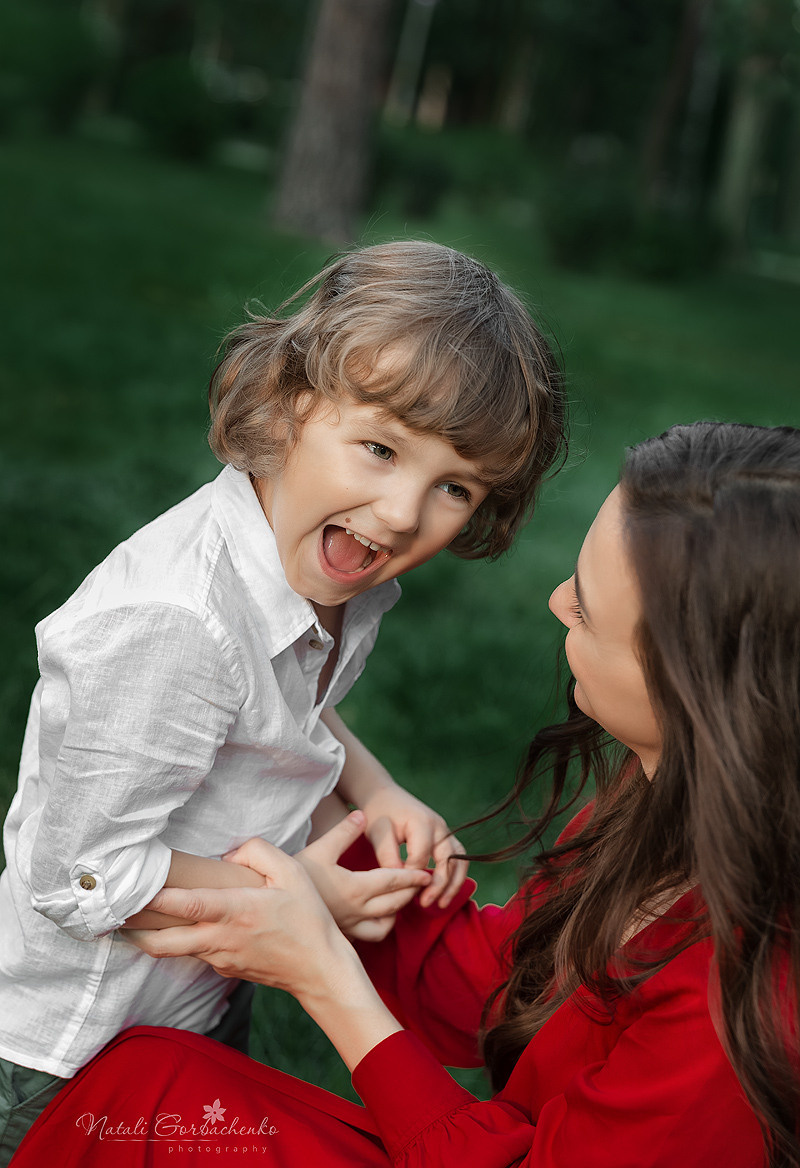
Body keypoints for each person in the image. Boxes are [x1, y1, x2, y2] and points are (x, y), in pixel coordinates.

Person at [13, 419, 800, 1167]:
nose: (559, 600)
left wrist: (324, 972)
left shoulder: (747, 1014)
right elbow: (507, 985)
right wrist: (362, 830)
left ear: (708, 695)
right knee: (147, 1090)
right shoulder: (677, 798)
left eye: (589, 611)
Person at [0, 240, 567, 1164]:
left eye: (452, 487)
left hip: (187, 996)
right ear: (288, 401)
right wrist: (307, 899)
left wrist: (375, 788)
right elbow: (81, 875)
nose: (398, 515)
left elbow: (278, 702)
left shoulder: (326, 573)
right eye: (380, 449)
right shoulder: (176, 627)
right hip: (63, 1048)